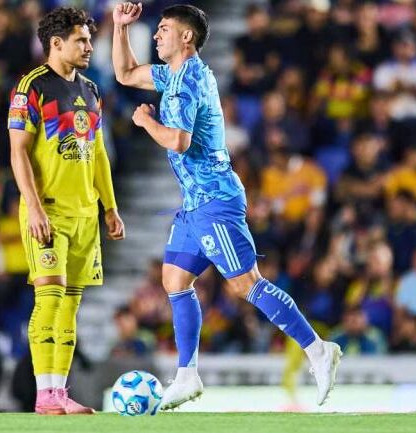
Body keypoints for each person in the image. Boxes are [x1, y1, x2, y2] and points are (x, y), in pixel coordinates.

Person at [111, 2, 342, 410]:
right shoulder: (173, 74)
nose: (157, 34)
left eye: (163, 28)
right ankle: (187, 375)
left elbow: (179, 140)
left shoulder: (188, 81)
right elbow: (126, 73)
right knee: (174, 279)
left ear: (186, 36)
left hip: (215, 200)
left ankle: (318, 350)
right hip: (194, 202)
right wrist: (119, 27)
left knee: (245, 284)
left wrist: (145, 121)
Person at [8, 6, 125, 415]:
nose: (89, 47)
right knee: (50, 298)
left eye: (89, 40)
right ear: (56, 44)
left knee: (71, 306)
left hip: (85, 215)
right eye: (81, 40)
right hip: (49, 213)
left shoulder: (91, 90)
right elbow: (18, 152)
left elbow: (98, 155)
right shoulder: (31, 87)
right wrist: (34, 207)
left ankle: (59, 392)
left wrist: (109, 207)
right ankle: (44, 393)